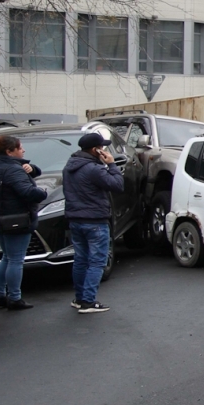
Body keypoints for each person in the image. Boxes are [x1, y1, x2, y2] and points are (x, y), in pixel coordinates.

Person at [63, 132, 124, 314]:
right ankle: (88, 301)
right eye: (102, 147)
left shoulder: (69, 166)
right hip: (95, 220)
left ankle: (79, 298)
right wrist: (111, 164)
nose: (104, 149)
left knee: (80, 260)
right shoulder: (94, 169)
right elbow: (118, 185)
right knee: (97, 261)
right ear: (95, 149)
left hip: (75, 219)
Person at [0, 135, 47, 311]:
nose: (24, 150)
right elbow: (27, 192)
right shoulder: (13, 170)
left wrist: (31, 168)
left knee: (6, 257)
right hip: (17, 220)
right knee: (16, 260)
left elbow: (32, 173)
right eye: (20, 148)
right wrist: (42, 192)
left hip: (0, 219)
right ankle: (15, 298)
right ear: (10, 151)